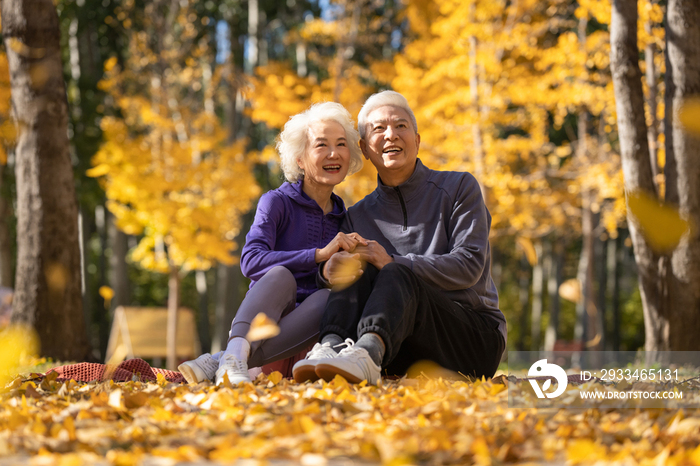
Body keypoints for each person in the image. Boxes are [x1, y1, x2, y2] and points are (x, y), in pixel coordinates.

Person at [292, 91, 507, 385]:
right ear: (365, 148)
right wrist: (325, 272)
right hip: (399, 347)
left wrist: (393, 262)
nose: (391, 135)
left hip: (471, 340)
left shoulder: (459, 187)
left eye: (401, 126)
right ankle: (331, 347)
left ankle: (366, 354)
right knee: (355, 265)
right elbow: (338, 281)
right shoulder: (357, 215)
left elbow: (469, 266)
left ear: (417, 141)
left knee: (396, 270)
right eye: (379, 129)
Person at [178, 102, 366, 385]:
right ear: (300, 159)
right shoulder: (276, 202)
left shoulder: (346, 218)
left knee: (328, 298)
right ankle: (233, 356)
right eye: (321, 145)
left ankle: (222, 359)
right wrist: (317, 255)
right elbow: (250, 261)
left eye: (341, 144)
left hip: (303, 342)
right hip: (262, 326)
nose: (333, 153)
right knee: (281, 275)